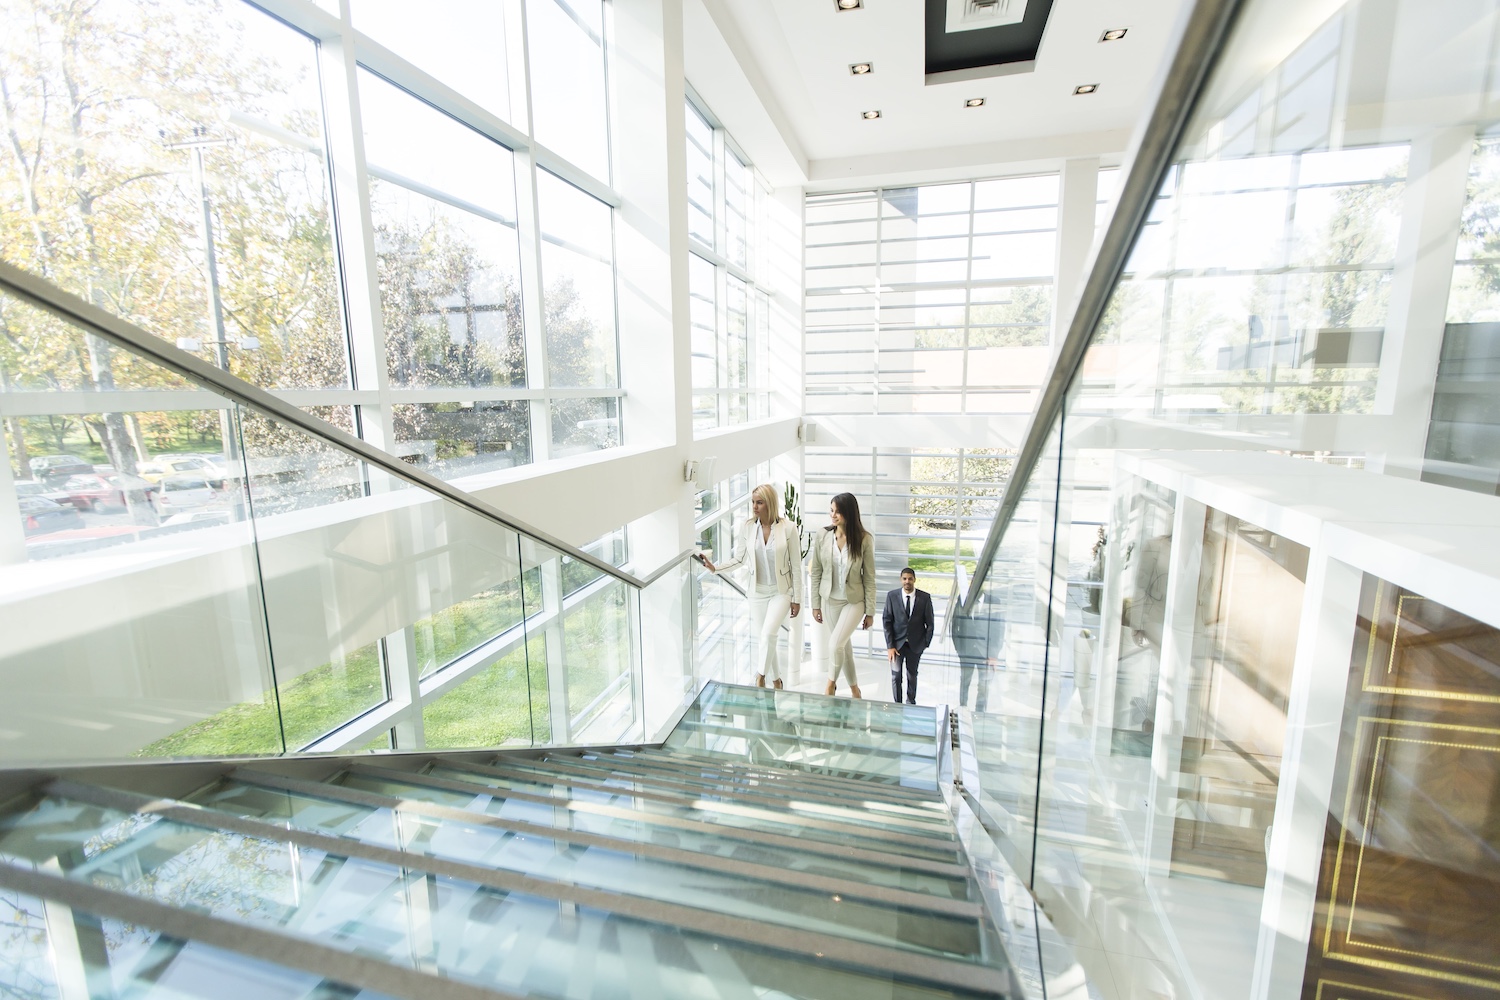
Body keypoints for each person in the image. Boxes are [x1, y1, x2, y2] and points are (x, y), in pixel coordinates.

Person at [698, 483, 802, 688]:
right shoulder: (747, 527)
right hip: (757, 592)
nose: (754, 507)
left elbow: (796, 567)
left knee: (768, 633)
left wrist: (797, 599)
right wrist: (715, 568)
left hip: (781, 592)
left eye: (759, 502)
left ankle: (760, 676)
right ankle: (777, 681)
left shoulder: (788, 529)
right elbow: (739, 559)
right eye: (753, 502)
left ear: (769, 503)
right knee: (766, 640)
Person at [808, 492, 876, 698]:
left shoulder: (864, 540)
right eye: (831, 510)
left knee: (835, 644)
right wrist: (815, 604)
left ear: (849, 513)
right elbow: (816, 571)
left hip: (854, 601)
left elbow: (870, 578)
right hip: (829, 600)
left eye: (838, 512)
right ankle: (855, 690)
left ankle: (830, 685)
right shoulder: (822, 535)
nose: (833, 515)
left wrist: (870, 611)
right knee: (843, 647)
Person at [883, 567, 933, 704]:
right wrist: (890, 646)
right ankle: (897, 704)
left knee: (912, 675)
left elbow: (930, 623)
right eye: (904, 579)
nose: (907, 581)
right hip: (896, 645)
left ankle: (911, 702)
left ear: (914, 580)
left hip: (915, 645)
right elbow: (887, 621)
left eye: (910, 579)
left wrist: (925, 643)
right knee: (896, 676)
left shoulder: (924, 598)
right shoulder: (892, 596)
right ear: (901, 580)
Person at [953, 589, 1005, 712]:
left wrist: (994, 655)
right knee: (965, 682)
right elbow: (955, 625)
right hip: (967, 651)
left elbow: (1000, 629)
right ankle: (963, 708)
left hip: (986, 653)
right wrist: (959, 649)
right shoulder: (963, 599)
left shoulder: (995, 602)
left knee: (984, 685)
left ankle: (980, 712)